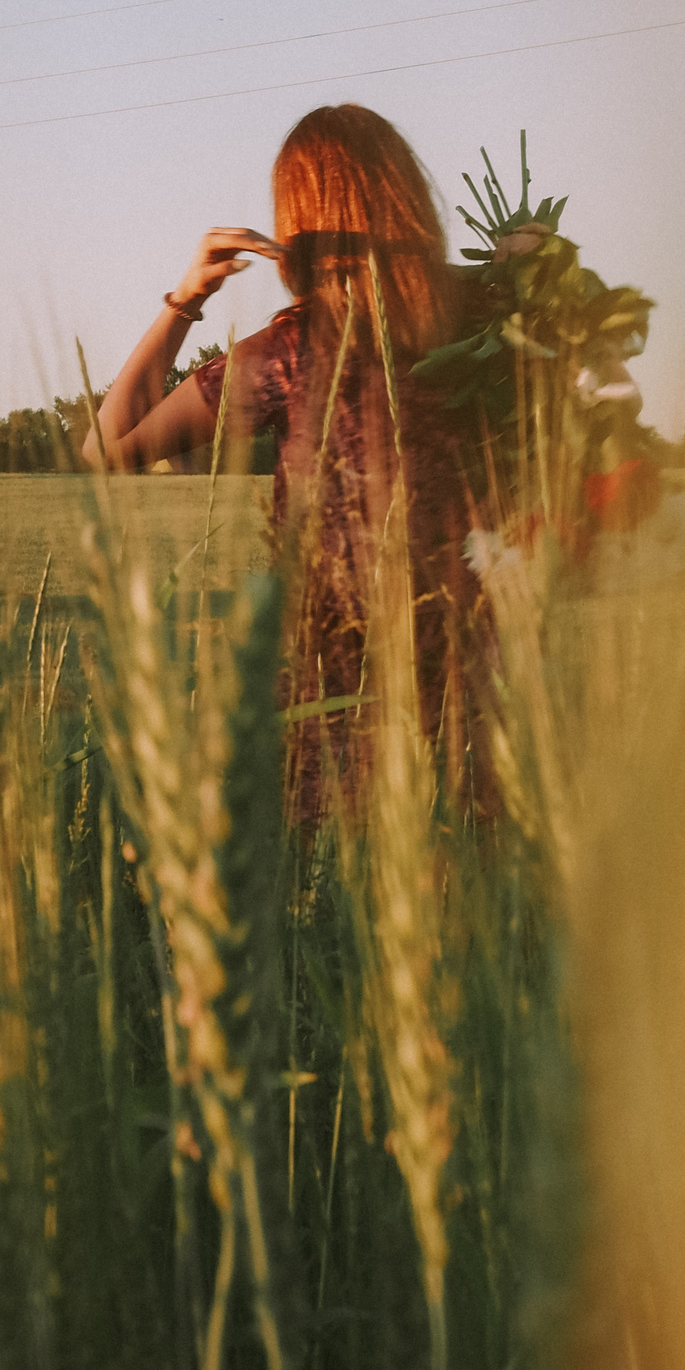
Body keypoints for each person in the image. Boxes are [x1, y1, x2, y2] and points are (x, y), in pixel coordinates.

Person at [82, 103, 488, 829]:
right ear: (406, 198)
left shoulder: (289, 353)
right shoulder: (490, 317)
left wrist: (188, 298)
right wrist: (538, 259)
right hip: (479, 699)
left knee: (325, 922)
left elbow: (105, 451)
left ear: (295, 222)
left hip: (329, 712)